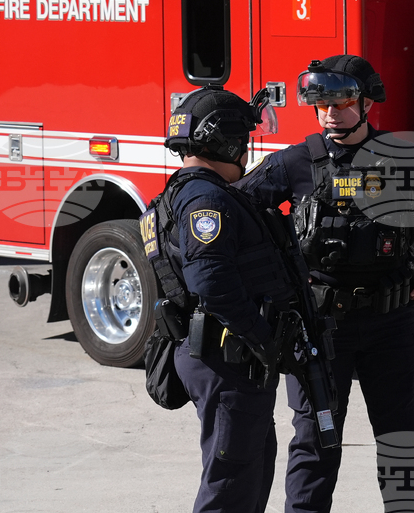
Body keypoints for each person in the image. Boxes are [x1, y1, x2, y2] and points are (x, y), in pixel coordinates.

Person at [238, 54, 414, 513]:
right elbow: (237, 211)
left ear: (366, 103)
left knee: (401, 436)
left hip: (392, 323)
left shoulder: (403, 156)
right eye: (320, 100)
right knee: (315, 440)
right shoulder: (294, 163)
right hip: (320, 327)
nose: (330, 110)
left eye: (342, 99)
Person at [144, 85, 291, 513]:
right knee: (229, 485)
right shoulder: (205, 200)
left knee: (250, 471)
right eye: (242, 139)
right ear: (224, 140)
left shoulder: (190, 193)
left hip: (226, 355)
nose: (246, 150)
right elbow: (210, 279)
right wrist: (262, 335)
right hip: (226, 356)